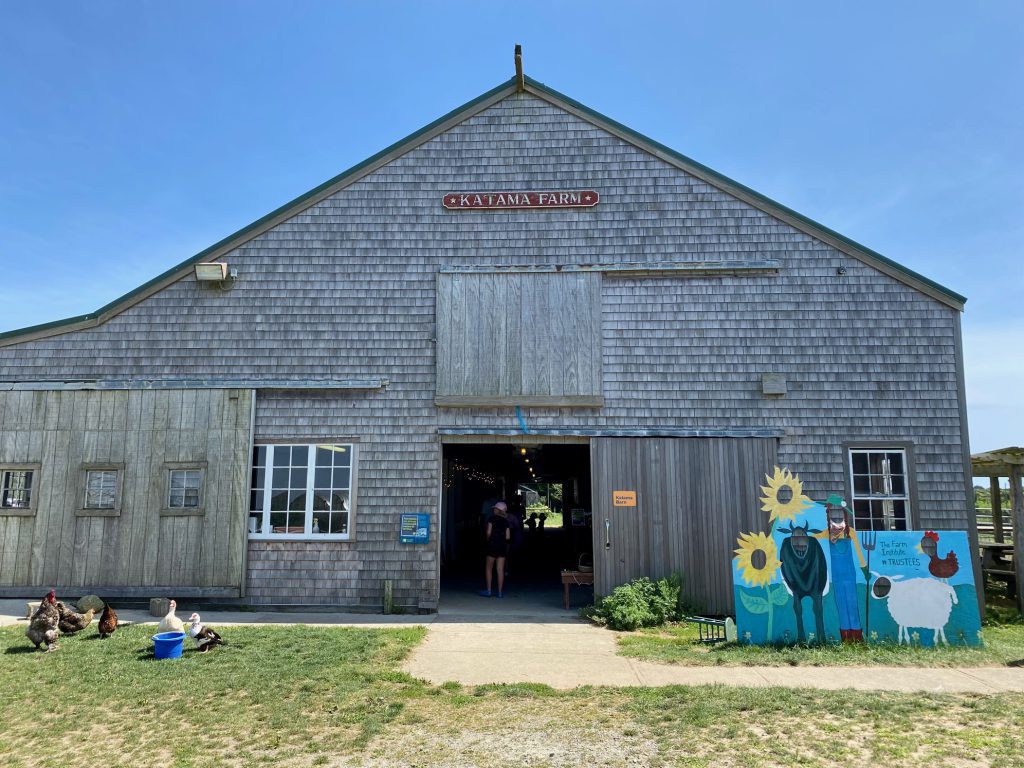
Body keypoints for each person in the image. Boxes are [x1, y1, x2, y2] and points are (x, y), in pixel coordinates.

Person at [480, 501, 511, 598]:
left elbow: (488, 533)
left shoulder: (491, 519)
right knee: (500, 570)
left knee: (489, 569)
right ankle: (500, 592)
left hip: (492, 545)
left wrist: (489, 539)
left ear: (498, 510)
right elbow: (508, 537)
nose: (493, 509)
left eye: (495, 508)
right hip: (502, 546)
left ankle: (489, 591)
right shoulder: (506, 521)